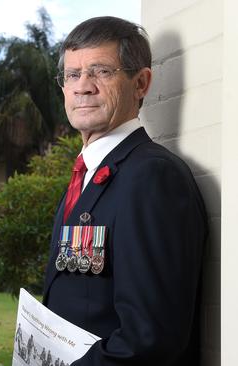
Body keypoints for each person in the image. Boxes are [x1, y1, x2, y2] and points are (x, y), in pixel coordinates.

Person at [42, 16, 207, 366]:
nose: (82, 87)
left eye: (101, 71)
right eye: (72, 75)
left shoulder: (151, 177)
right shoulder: (90, 172)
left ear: (141, 83)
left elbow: (149, 338)